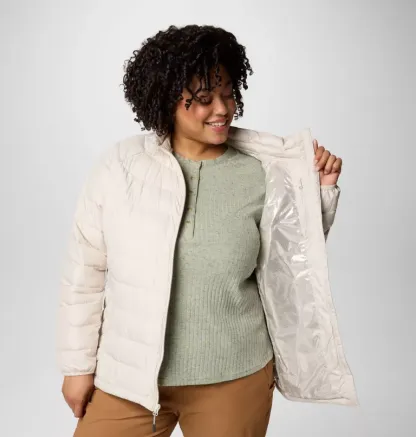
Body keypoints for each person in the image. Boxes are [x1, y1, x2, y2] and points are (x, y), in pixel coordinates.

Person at [57, 24, 357, 437]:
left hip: (234, 377)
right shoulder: (120, 168)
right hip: (129, 379)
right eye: (203, 99)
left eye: (228, 94)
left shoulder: (261, 172)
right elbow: (84, 275)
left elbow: (289, 264)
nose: (222, 109)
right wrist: (77, 367)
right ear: (166, 99)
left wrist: (319, 193)